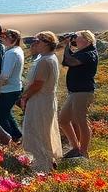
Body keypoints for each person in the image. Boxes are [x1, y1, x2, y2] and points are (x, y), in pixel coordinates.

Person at [20, 31, 62, 174]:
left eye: (37, 41)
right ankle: (48, 161)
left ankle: (42, 165)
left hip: (40, 100)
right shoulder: (48, 57)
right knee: (43, 130)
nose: (34, 44)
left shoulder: (45, 60)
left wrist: (25, 96)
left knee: (36, 130)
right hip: (45, 99)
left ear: (46, 43)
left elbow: (38, 83)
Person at [59, 30, 98, 159]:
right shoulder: (82, 53)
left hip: (83, 92)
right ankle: (76, 148)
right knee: (63, 119)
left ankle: (83, 151)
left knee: (80, 121)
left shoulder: (89, 53)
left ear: (87, 40)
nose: (75, 40)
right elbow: (66, 61)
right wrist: (69, 45)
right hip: (75, 92)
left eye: (78, 37)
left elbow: (69, 61)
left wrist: (67, 45)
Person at [0, 29, 25, 144]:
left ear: (12, 39)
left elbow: (5, 75)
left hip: (8, 90)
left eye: (4, 37)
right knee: (6, 113)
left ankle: (8, 139)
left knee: (0, 115)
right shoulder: (17, 50)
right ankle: (16, 135)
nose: (2, 39)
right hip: (14, 88)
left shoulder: (11, 53)